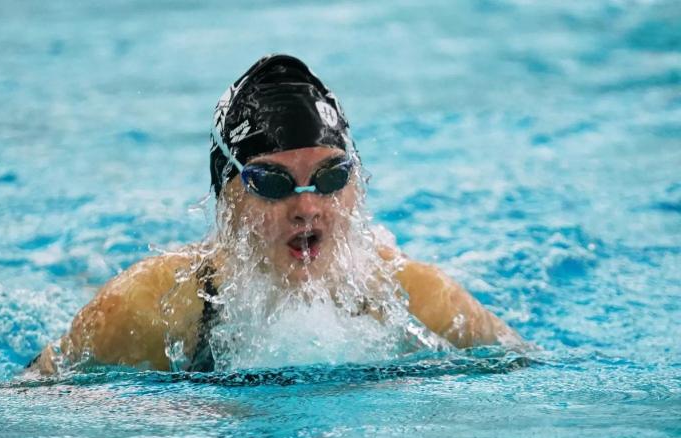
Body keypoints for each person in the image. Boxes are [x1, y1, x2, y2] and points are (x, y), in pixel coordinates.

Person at [29, 54, 522, 375]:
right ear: (225, 198)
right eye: (271, 182)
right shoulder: (147, 309)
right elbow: (21, 403)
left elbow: (533, 375)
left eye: (330, 178)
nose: (307, 207)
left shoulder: (415, 297)